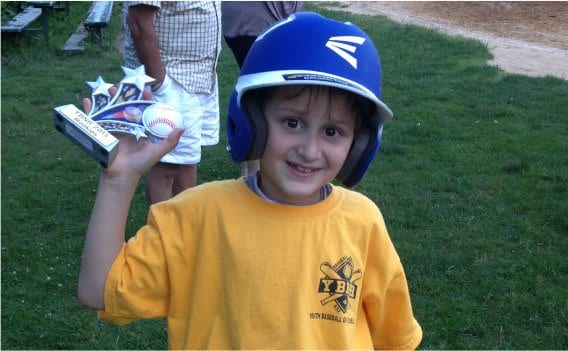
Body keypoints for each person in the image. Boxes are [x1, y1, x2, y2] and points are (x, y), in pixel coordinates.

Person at [78, 12, 422, 349]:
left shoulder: (363, 222)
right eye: (292, 123)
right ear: (251, 121)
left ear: (360, 145)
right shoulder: (196, 215)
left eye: (333, 131)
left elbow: (394, 339)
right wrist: (119, 179)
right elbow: (99, 291)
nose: (310, 150)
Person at [123, 1, 221, 205]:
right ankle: (162, 233)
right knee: (166, 166)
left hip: (198, 77)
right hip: (172, 79)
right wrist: (160, 83)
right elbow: (138, 22)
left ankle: (184, 229)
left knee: (186, 161)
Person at [221, 1, 303, 176]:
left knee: (259, 92)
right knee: (263, 96)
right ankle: (254, 171)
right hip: (256, 22)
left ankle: (252, 167)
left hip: (250, 20)